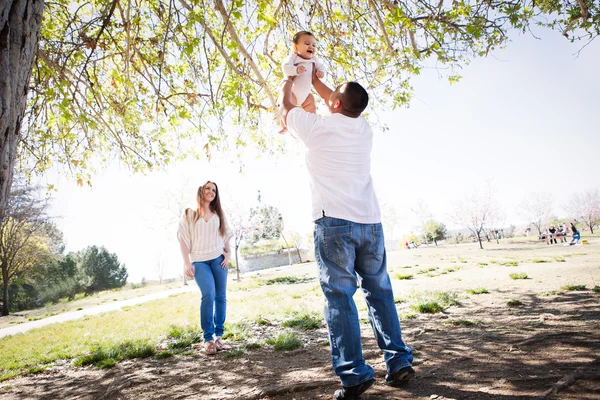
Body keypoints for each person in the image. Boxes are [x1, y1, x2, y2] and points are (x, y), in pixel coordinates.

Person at [279, 72, 414, 399]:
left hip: (334, 224)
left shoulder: (315, 128)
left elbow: (285, 106)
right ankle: (398, 361)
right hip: (370, 223)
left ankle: (354, 374)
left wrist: (289, 79)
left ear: (335, 104)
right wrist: (313, 77)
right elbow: (335, 99)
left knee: (340, 299)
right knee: (379, 291)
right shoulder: (363, 129)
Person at [177, 181, 232, 355]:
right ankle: (208, 338)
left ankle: (218, 336)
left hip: (218, 260)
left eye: (214, 190)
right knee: (208, 295)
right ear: (201, 190)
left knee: (221, 296)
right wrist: (187, 263)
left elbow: (226, 235)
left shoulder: (218, 213)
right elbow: (183, 240)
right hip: (199, 261)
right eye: (208, 188)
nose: (211, 192)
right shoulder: (189, 213)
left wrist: (228, 254)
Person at [280, 31, 325, 118]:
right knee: (287, 108)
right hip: (292, 93)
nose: (311, 47)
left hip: (305, 95)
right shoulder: (294, 57)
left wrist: (321, 72)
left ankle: (312, 121)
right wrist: (296, 70)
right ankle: (284, 123)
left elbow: (322, 67)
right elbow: (285, 67)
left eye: (314, 45)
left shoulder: (314, 59)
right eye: (307, 43)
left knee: (311, 103)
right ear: (296, 47)